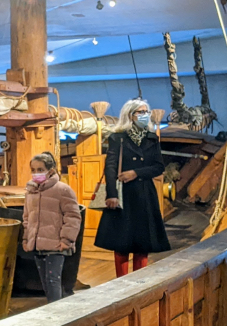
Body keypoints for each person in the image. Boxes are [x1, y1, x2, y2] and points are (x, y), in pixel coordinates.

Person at [94, 98, 171, 277]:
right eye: (140, 112)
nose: (145, 115)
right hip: (123, 194)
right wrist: (111, 194)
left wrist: (136, 172)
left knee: (142, 242)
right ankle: (120, 281)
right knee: (121, 242)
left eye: (146, 112)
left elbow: (159, 167)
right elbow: (110, 167)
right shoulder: (117, 138)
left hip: (144, 194)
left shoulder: (152, 138)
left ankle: (138, 280)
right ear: (130, 115)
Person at [22, 152, 82, 303]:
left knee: (53, 281)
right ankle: (53, 310)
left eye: (40, 169)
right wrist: (26, 239)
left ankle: (57, 315)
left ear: (51, 171)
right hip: (36, 244)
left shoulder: (63, 190)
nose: (36, 173)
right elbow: (27, 218)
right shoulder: (31, 191)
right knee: (45, 283)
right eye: (33, 170)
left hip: (55, 244)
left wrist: (66, 240)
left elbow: (72, 216)